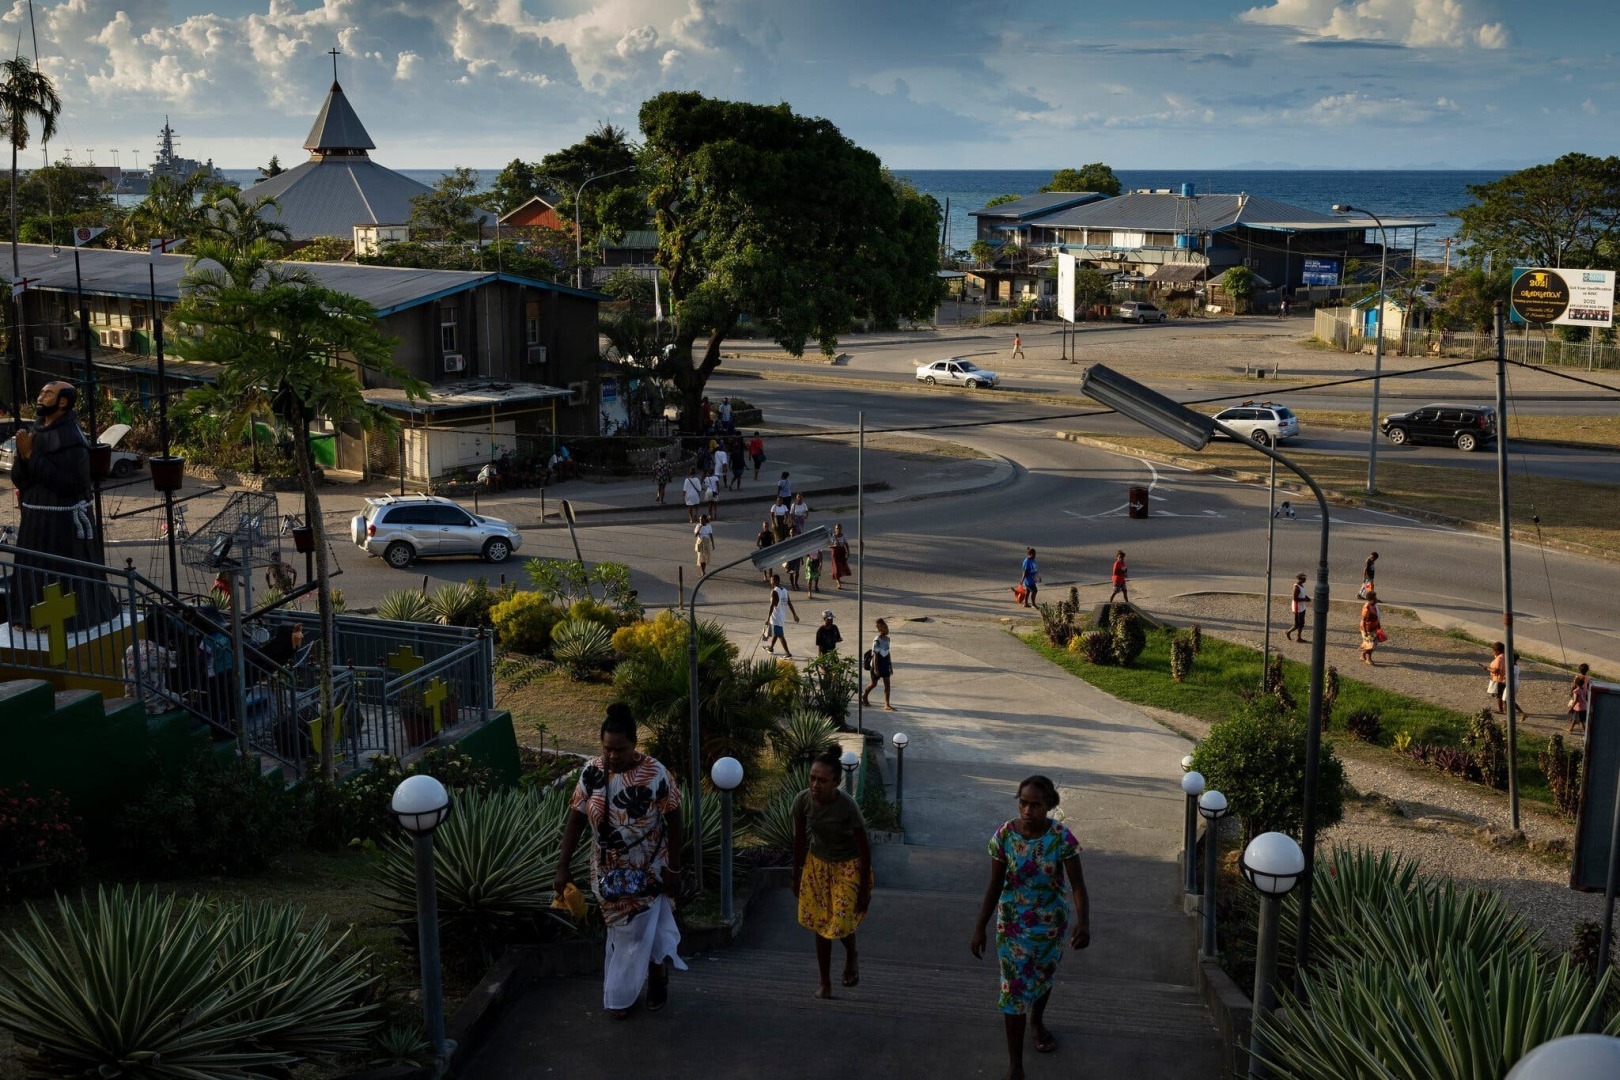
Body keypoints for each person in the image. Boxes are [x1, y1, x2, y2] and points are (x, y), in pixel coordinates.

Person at [555, 705, 686, 1018]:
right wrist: (563, 866)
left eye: (620, 749)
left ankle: (621, 996)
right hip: (606, 871)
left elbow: (675, 819)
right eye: (607, 748)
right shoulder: (592, 772)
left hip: (649, 867)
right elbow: (575, 819)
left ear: (635, 743)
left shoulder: (656, 773)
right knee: (623, 931)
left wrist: (674, 867)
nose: (612, 755)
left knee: (634, 932)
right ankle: (657, 972)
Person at [971, 775, 1090, 1079]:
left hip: (1050, 926)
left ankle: (1037, 1020)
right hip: (1012, 926)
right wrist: (979, 926)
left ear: (1049, 805)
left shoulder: (1062, 838)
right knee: (1013, 990)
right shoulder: (1004, 837)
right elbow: (994, 884)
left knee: (1043, 976)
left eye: (1035, 805)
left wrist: (1083, 922)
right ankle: (1016, 1066)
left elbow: (1077, 885)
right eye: (1023, 803)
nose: (1027, 810)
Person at [9, 380, 117, 627]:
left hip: (62, 526)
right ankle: (27, 616)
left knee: (65, 577)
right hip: (34, 521)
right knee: (33, 574)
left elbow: (71, 484)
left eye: (48, 394)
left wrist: (30, 456)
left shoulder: (73, 439)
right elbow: (20, 479)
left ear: (63, 402)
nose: (40, 397)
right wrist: (24, 459)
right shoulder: (34, 434)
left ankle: (70, 620)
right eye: (41, 392)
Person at [793, 749, 873, 999]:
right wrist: (795, 874)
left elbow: (864, 846)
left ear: (835, 782)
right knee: (820, 923)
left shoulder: (847, 806)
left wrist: (863, 888)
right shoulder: (802, 801)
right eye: (812, 778)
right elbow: (798, 840)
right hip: (817, 865)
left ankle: (851, 954)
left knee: (840, 919)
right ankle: (825, 982)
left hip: (848, 866)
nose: (815, 784)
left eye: (822, 780)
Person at [123, 637, 177, 715]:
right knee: (181, 700)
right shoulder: (157, 651)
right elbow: (173, 662)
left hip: (131, 696)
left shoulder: (129, 649)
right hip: (151, 699)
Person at [861, 618, 894, 711]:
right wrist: (875, 669)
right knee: (874, 683)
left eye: (887, 627)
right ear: (880, 630)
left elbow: (888, 652)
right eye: (885, 628)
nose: (887, 630)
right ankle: (865, 696)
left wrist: (890, 666)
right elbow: (875, 655)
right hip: (877, 663)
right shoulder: (877, 641)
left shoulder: (888, 639)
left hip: (885, 663)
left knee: (887, 683)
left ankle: (887, 704)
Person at [766, 573, 800, 657]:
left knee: (780, 635)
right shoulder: (785, 590)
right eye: (771, 581)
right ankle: (771, 648)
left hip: (776, 616)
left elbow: (771, 606)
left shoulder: (774, 591)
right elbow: (789, 602)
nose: (771, 582)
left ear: (777, 581)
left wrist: (767, 618)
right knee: (776, 633)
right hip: (781, 615)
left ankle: (787, 653)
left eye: (772, 581)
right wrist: (794, 614)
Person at [1358, 589, 1382, 666]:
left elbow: (1376, 617)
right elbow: (1363, 621)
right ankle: (1368, 658)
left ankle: (1363, 655)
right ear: (1371, 600)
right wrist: (1365, 632)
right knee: (1371, 645)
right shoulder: (1367, 608)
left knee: (1369, 643)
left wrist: (1378, 626)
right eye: (1375, 598)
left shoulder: (1373, 606)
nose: (1376, 599)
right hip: (1368, 630)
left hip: (1373, 628)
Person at [1481, 641, 1507, 712]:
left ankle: (1501, 709)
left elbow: (1496, 671)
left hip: (1499, 679)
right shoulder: (1503, 656)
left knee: (1499, 695)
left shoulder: (1499, 659)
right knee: (1503, 695)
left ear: (1497, 651)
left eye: (1494, 651)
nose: (1493, 652)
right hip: (1504, 678)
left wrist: (1487, 668)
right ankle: (1506, 709)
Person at [1285, 573, 1309, 642]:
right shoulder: (1296, 587)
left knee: (1302, 623)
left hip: (1302, 607)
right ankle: (1288, 632)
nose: (1305, 579)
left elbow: (1302, 595)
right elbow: (1295, 598)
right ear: (1300, 579)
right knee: (1297, 624)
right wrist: (1305, 599)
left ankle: (1298, 637)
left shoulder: (1301, 586)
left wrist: (1305, 598)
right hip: (1297, 608)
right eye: (1304, 578)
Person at [1569, 664, 1592, 735]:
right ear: (1587, 670)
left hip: (1578, 701)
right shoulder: (1588, 679)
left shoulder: (1577, 677)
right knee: (1578, 717)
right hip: (1584, 697)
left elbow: (1573, 686)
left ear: (1579, 670)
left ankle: (1572, 729)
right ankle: (1570, 728)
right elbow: (1588, 688)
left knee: (1577, 717)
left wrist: (1571, 693)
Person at [830, 523, 852, 590]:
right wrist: (834, 546)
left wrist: (848, 553)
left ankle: (837, 577)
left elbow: (846, 545)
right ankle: (838, 583)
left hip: (842, 553)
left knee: (842, 566)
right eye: (837, 528)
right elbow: (829, 545)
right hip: (835, 553)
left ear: (841, 529)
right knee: (836, 568)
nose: (838, 530)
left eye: (839, 528)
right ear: (835, 529)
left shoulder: (843, 536)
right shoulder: (833, 536)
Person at [756, 519, 777, 583]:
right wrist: (763, 547)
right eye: (765, 526)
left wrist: (772, 548)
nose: (766, 527)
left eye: (767, 526)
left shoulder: (771, 534)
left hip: (769, 550)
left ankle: (771, 577)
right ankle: (765, 577)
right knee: (764, 564)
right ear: (763, 527)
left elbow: (774, 543)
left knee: (770, 565)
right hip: (763, 550)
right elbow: (757, 544)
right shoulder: (761, 534)